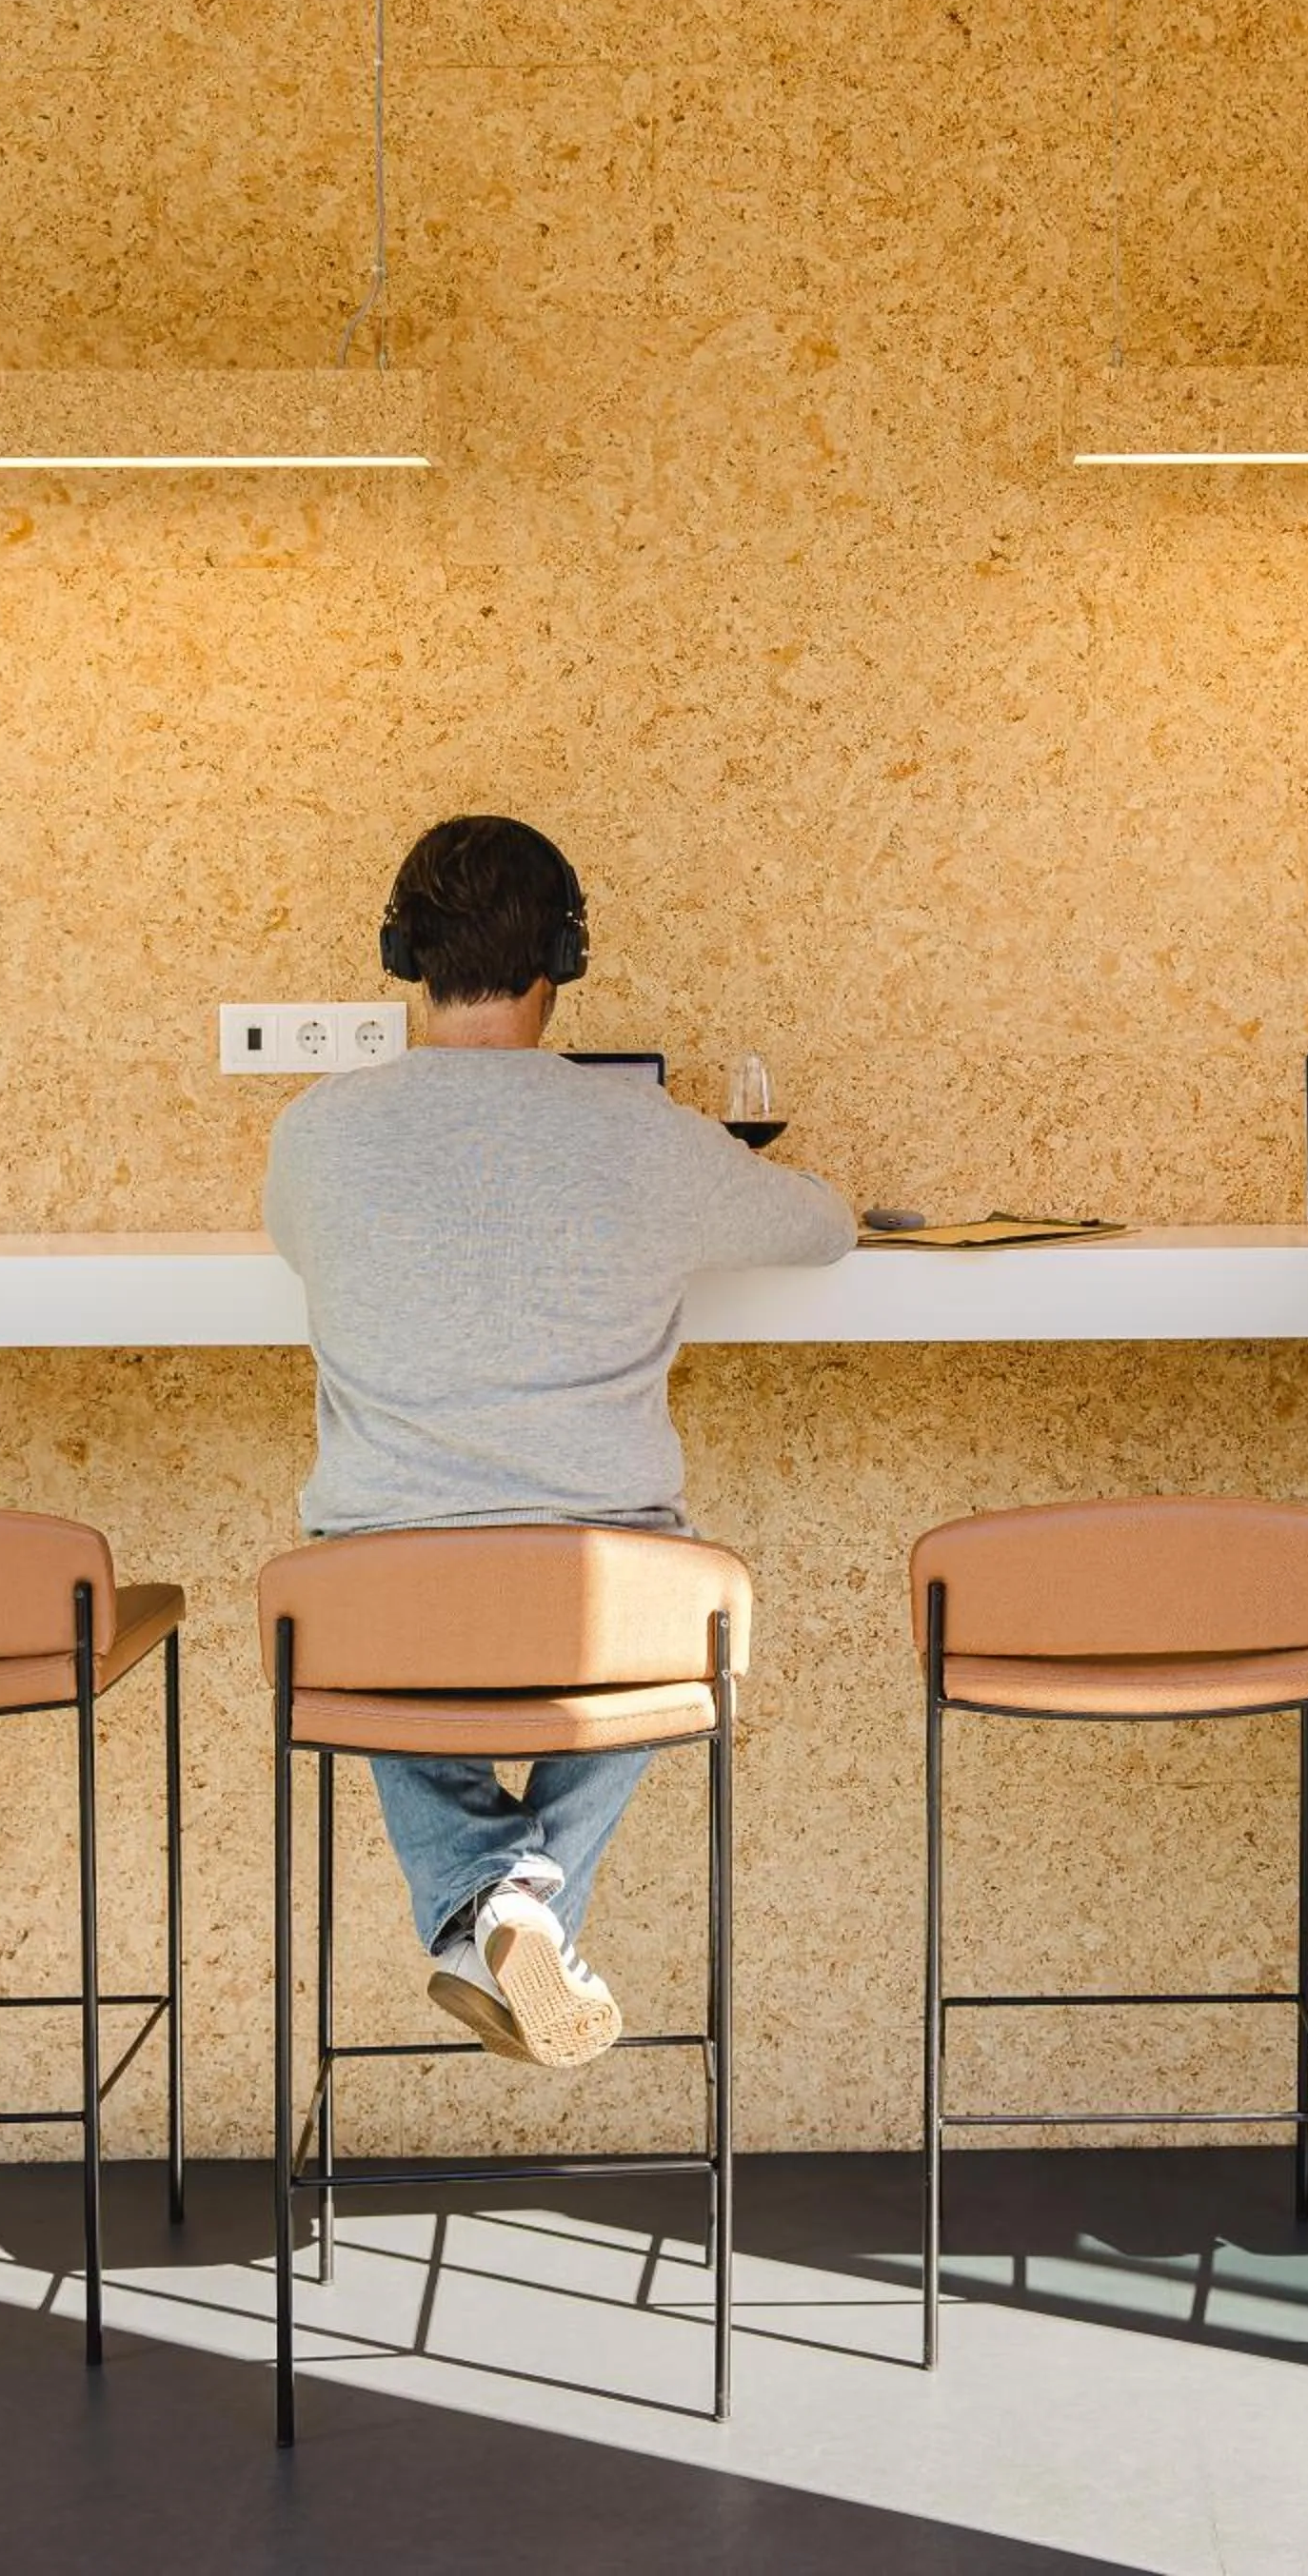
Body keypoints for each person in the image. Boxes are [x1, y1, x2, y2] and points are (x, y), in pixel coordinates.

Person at [264, 816, 855, 2069]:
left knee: (364, 1586)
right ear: (568, 956)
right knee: (686, 1619)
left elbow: (310, 1249)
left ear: (400, 953)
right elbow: (822, 1232)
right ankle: (519, 1903)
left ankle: (492, 1908)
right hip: (600, 1603)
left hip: (377, 1606)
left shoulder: (314, 1131)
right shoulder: (638, 1130)